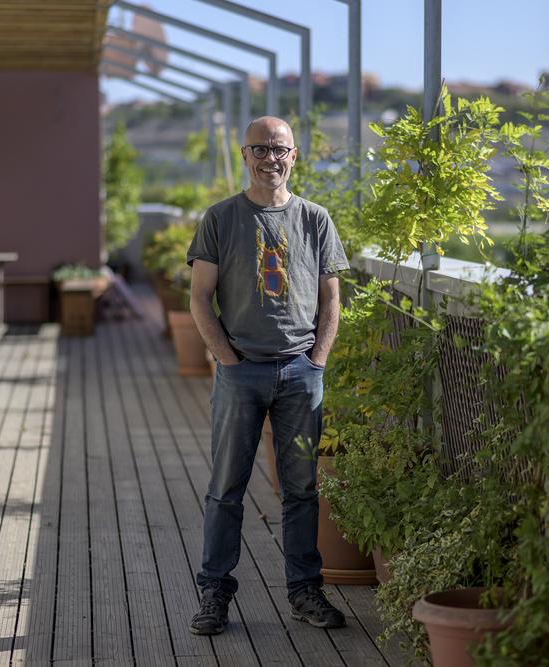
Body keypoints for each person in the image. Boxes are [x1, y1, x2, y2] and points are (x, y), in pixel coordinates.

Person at [186, 116, 350, 636]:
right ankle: (215, 593)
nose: (270, 158)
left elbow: (331, 300)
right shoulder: (220, 219)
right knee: (225, 488)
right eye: (260, 148)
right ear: (245, 154)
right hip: (242, 373)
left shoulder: (316, 219)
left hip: (301, 373)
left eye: (279, 149)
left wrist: (317, 359)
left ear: (294, 157)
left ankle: (305, 593)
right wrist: (227, 361)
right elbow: (198, 298)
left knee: (301, 489)